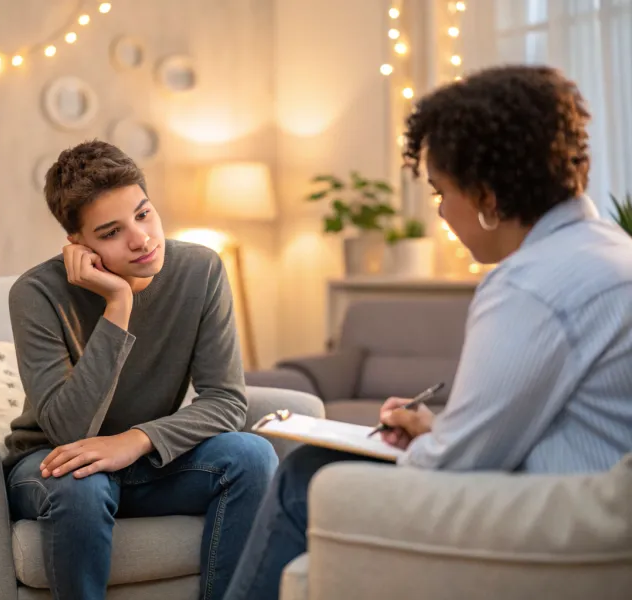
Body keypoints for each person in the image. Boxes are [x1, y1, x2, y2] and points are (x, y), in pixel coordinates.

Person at [223, 64, 632, 600]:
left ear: (486, 196)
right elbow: (530, 423)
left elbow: (457, 465)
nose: (440, 211)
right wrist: (434, 429)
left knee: (307, 476)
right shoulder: (610, 251)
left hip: (563, 522)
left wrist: (432, 444)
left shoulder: (528, 285)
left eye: (441, 192)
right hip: (596, 506)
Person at [2, 140, 278, 600]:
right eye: (111, 232)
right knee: (79, 482)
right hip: (53, 463)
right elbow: (68, 428)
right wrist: (118, 303)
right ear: (78, 244)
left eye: (144, 214)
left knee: (251, 456)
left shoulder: (201, 269)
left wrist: (134, 441)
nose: (141, 239)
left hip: (147, 460)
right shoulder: (35, 293)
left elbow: (226, 401)